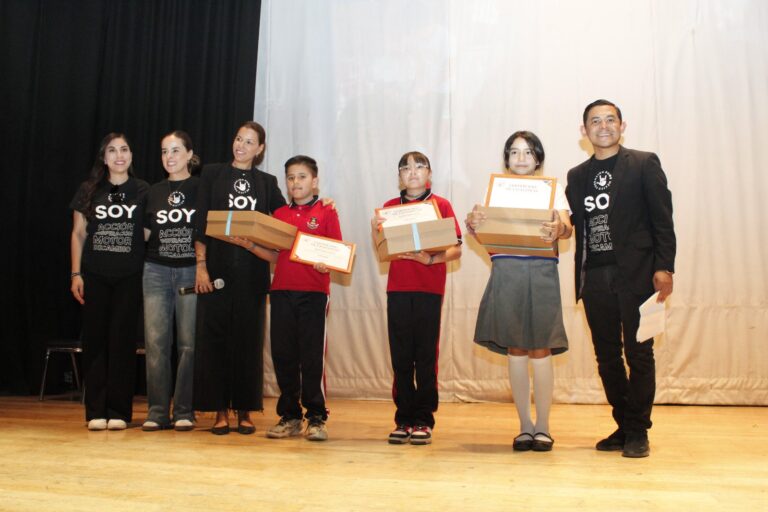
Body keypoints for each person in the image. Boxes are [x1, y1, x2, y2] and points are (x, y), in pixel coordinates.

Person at [565, 99, 676, 458]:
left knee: (640, 353)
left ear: (622, 125)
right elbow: (569, 223)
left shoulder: (644, 163)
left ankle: (638, 430)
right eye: (595, 121)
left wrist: (665, 266)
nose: (603, 126)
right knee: (607, 357)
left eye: (610, 120)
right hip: (594, 275)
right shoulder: (576, 176)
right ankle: (624, 424)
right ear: (584, 131)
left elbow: (662, 219)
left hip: (637, 274)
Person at [466, 131, 572, 452]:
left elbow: (566, 227)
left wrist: (560, 229)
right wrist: (473, 223)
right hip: (506, 272)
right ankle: (524, 426)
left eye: (527, 152)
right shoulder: (494, 190)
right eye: (514, 152)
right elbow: (480, 228)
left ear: (538, 158)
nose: (521, 158)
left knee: (540, 348)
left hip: (540, 273)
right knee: (516, 349)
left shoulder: (552, 191)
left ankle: (543, 427)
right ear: (507, 159)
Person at [192, 121, 286, 435]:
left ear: (259, 149)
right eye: (238, 139)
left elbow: (286, 222)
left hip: (252, 276)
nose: (241, 146)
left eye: (249, 142)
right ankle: (219, 411)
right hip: (216, 272)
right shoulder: (212, 174)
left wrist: (320, 201)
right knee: (215, 340)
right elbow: (201, 222)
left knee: (248, 341)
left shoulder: (267, 182)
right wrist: (201, 266)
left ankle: (245, 410)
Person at [373, 151, 462, 446]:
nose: (412, 172)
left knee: (425, 356)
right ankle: (404, 418)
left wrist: (431, 259)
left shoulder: (441, 205)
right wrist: (377, 233)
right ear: (399, 176)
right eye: (406, 168)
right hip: (398, 290)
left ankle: (423, 419)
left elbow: (456, 249)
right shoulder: (388, 207)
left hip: (429, 290)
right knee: (400, 357)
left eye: (419, 166)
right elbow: (383, 249)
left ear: (429, 173)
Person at [260, 155, 342, 442]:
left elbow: (336, 253)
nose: (296, 182)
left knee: (311, 358)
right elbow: (274, 255)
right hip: (281, 292)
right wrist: (248, 244)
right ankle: (290, 415)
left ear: (315, 181)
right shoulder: (279, 214)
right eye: (291, 177)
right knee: (283, 356)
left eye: (302, 177)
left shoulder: (328, 212)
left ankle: (317, 417)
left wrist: (326, 264)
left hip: (314, 294)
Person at [70, 133, 149, 431]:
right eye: (112, 150)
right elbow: (78, 233)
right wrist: (76, 273)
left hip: (129, 278)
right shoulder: (89, 189)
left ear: (131, 155)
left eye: (124, 149)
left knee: (122, 343)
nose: (119, 155)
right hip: (94, 276)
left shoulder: (143, 190)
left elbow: (147, 234)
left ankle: (119, 411)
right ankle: (95, 411)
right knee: (95, 343)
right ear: (104, 158)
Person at [141, 130, 201, 432]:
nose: (170, 157)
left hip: (191, 270)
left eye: (176, 150)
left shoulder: (203, 188)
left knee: (189, 344)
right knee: (155, 343)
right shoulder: (152, 191)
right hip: (155, 271)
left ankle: (185, 410)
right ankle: (157, 411)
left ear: (190, 154)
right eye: (165, 151)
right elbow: (145, 234)